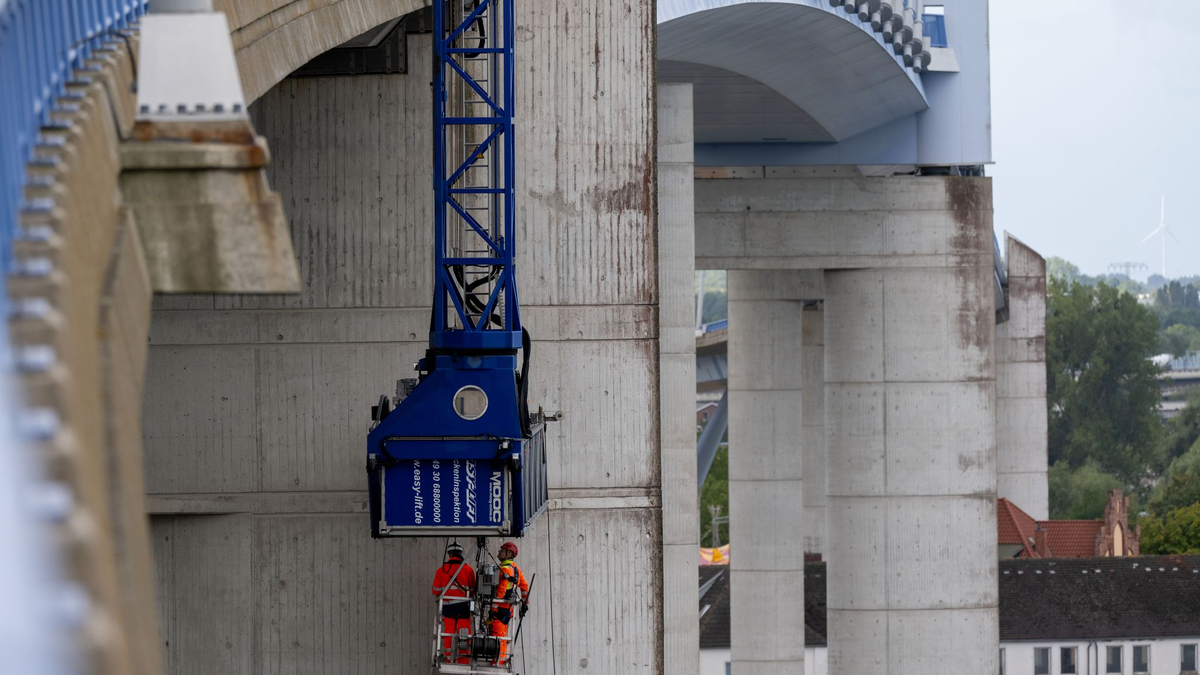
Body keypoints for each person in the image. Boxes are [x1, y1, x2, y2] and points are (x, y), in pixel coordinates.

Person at [432, 542, 477, 664]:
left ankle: (448, 656)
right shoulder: (468, 569)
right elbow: (473, 590)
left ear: (449, 554)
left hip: (447, 608)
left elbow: (435, 590)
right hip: (463, 607)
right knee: (464, 632)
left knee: (449, 632)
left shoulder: (441, 570)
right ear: (460, 553)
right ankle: (463, 658)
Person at [488, 541, 529, 666]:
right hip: (507, 610)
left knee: (498, 637)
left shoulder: (505, 569)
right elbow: (524, 587)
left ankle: (498, 663)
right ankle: (498, 661)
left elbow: (501, 591)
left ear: (508, 554)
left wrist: (493, 609)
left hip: (500, 609)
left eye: (501, 550)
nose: (498, 552)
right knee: (501, 636)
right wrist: (524, 603)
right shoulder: (516, 568)